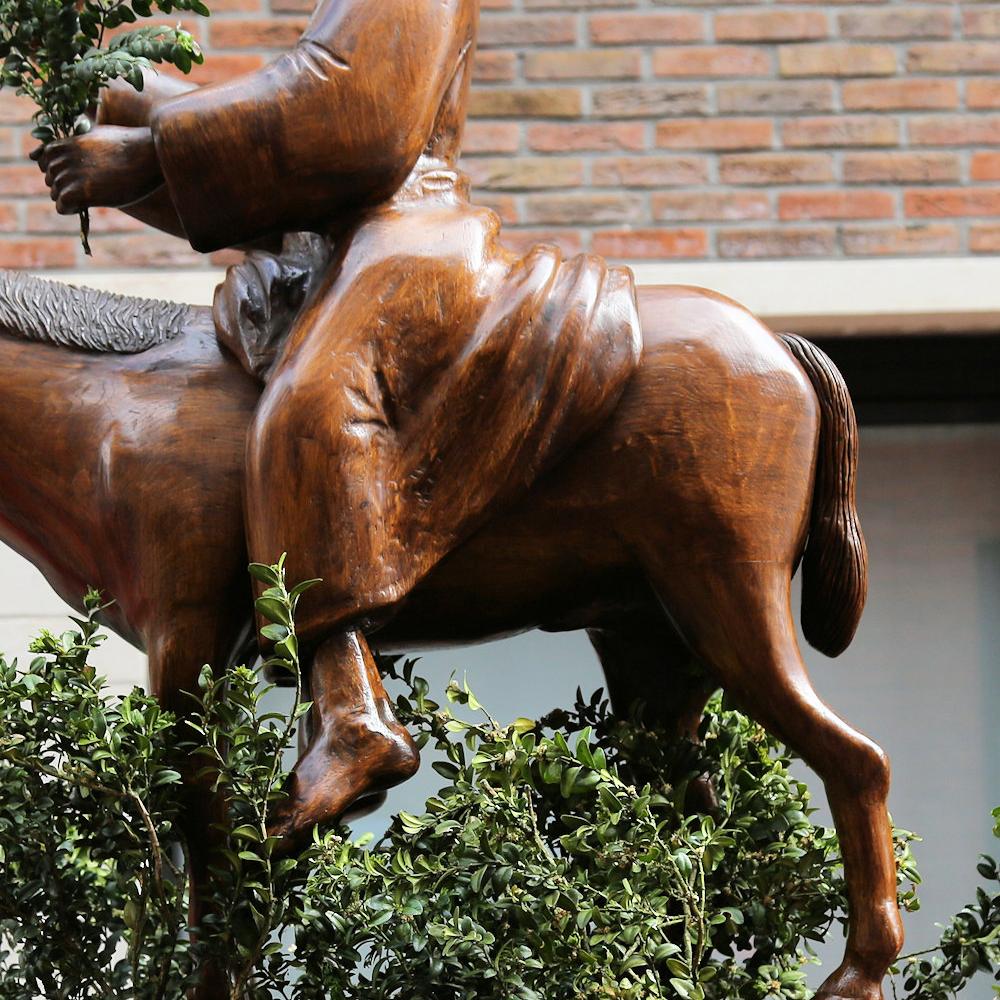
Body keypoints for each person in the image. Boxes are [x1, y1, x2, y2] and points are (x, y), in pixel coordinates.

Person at [35, 0, 641, 840]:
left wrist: (148, 144)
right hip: (337, 241)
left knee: (313, 407)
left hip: (407, 230)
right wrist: (123, 100)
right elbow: (297, 132)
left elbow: (350, 118)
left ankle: (352, 710)